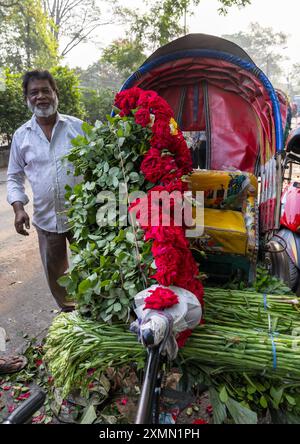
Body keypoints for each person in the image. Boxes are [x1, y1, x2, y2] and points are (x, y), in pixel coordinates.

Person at [6, 70, 84, 312]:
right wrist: (18, 208)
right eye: (34, 92)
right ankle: (69, 316)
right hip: (46, 220)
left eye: (45, 90)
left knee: (91, 268)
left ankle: (93, 313)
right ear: (27, 99)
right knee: (56, 275)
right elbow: (14, 176)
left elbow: (98, 166)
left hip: (82, 218)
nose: (40, 96)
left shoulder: (78, 129)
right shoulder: (21, 137)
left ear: (55, 94)